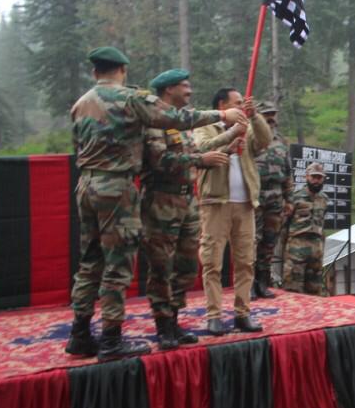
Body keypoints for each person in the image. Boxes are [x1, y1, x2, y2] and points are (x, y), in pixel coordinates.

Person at [64, 48, 245, 361]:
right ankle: (110, 340)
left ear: (95, 72)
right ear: (122, 69)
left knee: (91, 260)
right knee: (117, 264)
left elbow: (79, 147)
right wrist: (221, 115)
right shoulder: (132, 99)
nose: (188, 89)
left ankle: (80, 334)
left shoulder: (80, 104)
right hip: (117, 187)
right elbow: (174, 119)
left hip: (87, 184)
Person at [140, 69, 233, 350]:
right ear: (168, 90)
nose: (190, 91)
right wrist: (199, 158)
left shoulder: (184, 123)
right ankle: (163, 325)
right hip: (161, 201)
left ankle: (175, 320)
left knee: (187, 265)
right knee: (161, 267)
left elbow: (191, 155)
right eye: (185, 86)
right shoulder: (155, 120)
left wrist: (206, 158)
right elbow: (160, 160)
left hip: (187, 201)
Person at [194, 87, 272, 335]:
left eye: (243, 103)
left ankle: (242, 313)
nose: (241, 107)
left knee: (245, 262)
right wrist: (230, 136)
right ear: (222, 106)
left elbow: (265, 141)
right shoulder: (205, 124)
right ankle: (214, 315)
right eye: (237, 103)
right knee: (212, 262)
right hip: (216, 203)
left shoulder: (247, 125)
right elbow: (202, 148)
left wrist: (255, 116)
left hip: (245, 203)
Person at [253, 101, 293, 299]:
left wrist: (289, 199)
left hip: (276, 197)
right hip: (255, 195)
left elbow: (288, 173)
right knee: (252, 241)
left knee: (269, 242)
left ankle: (263, 283)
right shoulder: (251, 137)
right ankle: (249, 285)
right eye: (266, 114)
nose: (271, 118)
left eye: (273, 115)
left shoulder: (280, 141)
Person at [283, 162, 329, 295]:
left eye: (319, 177)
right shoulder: (295, 197)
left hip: (316, 253)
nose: (316, 180)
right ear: (306, 177)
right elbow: (284, 224)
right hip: (296, 251)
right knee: (293, 291)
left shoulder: (324, 199)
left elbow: (322, 223)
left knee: (314, 292)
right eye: (313, 177)